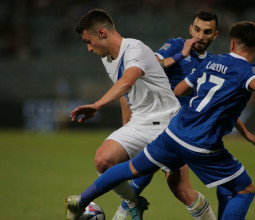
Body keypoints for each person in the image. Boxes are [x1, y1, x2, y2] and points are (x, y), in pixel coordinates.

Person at [65, 20, 255, 219]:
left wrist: (240, 127)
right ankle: (130, 207)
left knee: (130, 170)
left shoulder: (212, 62)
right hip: (202, 143)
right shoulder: (247, 71)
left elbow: (181, 90)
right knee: (243, 189)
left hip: (174, 132)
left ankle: (81, 201)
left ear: (229, 43)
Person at [115, 10, 255, 220]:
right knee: (146, 172)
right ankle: (119, 214)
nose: (201, 36)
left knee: (186, 190)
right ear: (190, 29)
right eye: (197, 29)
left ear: (215, 35)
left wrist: (244, 131)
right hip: (163, 122)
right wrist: (180, 56)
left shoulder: (213, 62)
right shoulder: (175, 46)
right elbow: (147, 66)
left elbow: (220, 105)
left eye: (207, 31)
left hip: (189, 128)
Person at [68, 8, 181, 220]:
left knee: (182, 192)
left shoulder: (135, 49)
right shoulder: (107, 59)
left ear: (102, 33)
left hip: (168, 121)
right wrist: (125, 129)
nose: (89, 49)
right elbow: (125, 93)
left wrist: (98, 104)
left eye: (88, 41)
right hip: (140, 123)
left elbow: (128, 80)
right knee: (103, 160)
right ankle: (134, 203)